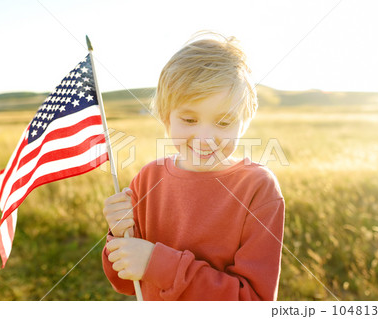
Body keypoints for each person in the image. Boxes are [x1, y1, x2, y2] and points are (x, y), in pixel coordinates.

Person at [101, 31, 285, 300]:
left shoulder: (258, 189)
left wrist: (159, 264)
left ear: (244, 121)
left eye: (223, 123)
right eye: (189, 120)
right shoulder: (148, 179)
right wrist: (119, 236)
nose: (205, 138)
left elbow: (255, 300)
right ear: (167, 119)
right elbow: (127, 284)